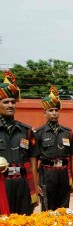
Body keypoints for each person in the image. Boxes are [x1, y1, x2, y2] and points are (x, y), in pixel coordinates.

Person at [32, 86, 73, 210]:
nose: (54, 113)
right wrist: (36, 183)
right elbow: (34, 160)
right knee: (48, 208)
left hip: (64, 173)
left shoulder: (67, 132)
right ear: (44, 113)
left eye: (56, 110)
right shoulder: (38, 133)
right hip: (47, 174)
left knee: (64, 209)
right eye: (51, 110)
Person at [0, 71, 38, 215]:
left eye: (13, 102)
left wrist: (34, 188)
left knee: (24, 224)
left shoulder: (26, 131)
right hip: (2, 183)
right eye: (5, 102)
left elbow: (33, 161)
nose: (10, 105)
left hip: (23, 183)